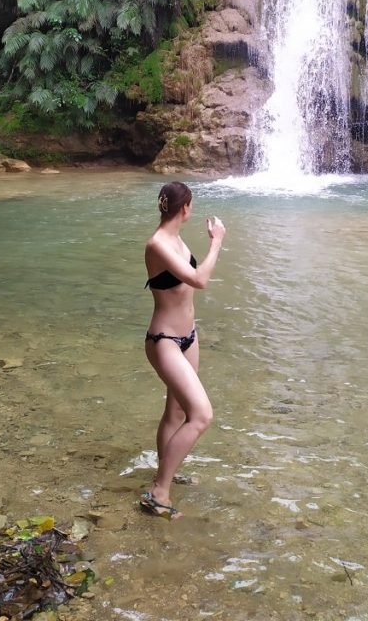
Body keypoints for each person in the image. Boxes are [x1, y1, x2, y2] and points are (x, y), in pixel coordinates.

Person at [140, 181, 226, 519]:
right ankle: (159, 491)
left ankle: (166, 475)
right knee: (201, 414)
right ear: (185, 209)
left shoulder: (175, 239)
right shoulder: (158, 244)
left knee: (176, 414)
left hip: (187, 337)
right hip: (164, 342)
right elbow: (199, 279)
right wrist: (216, 241)